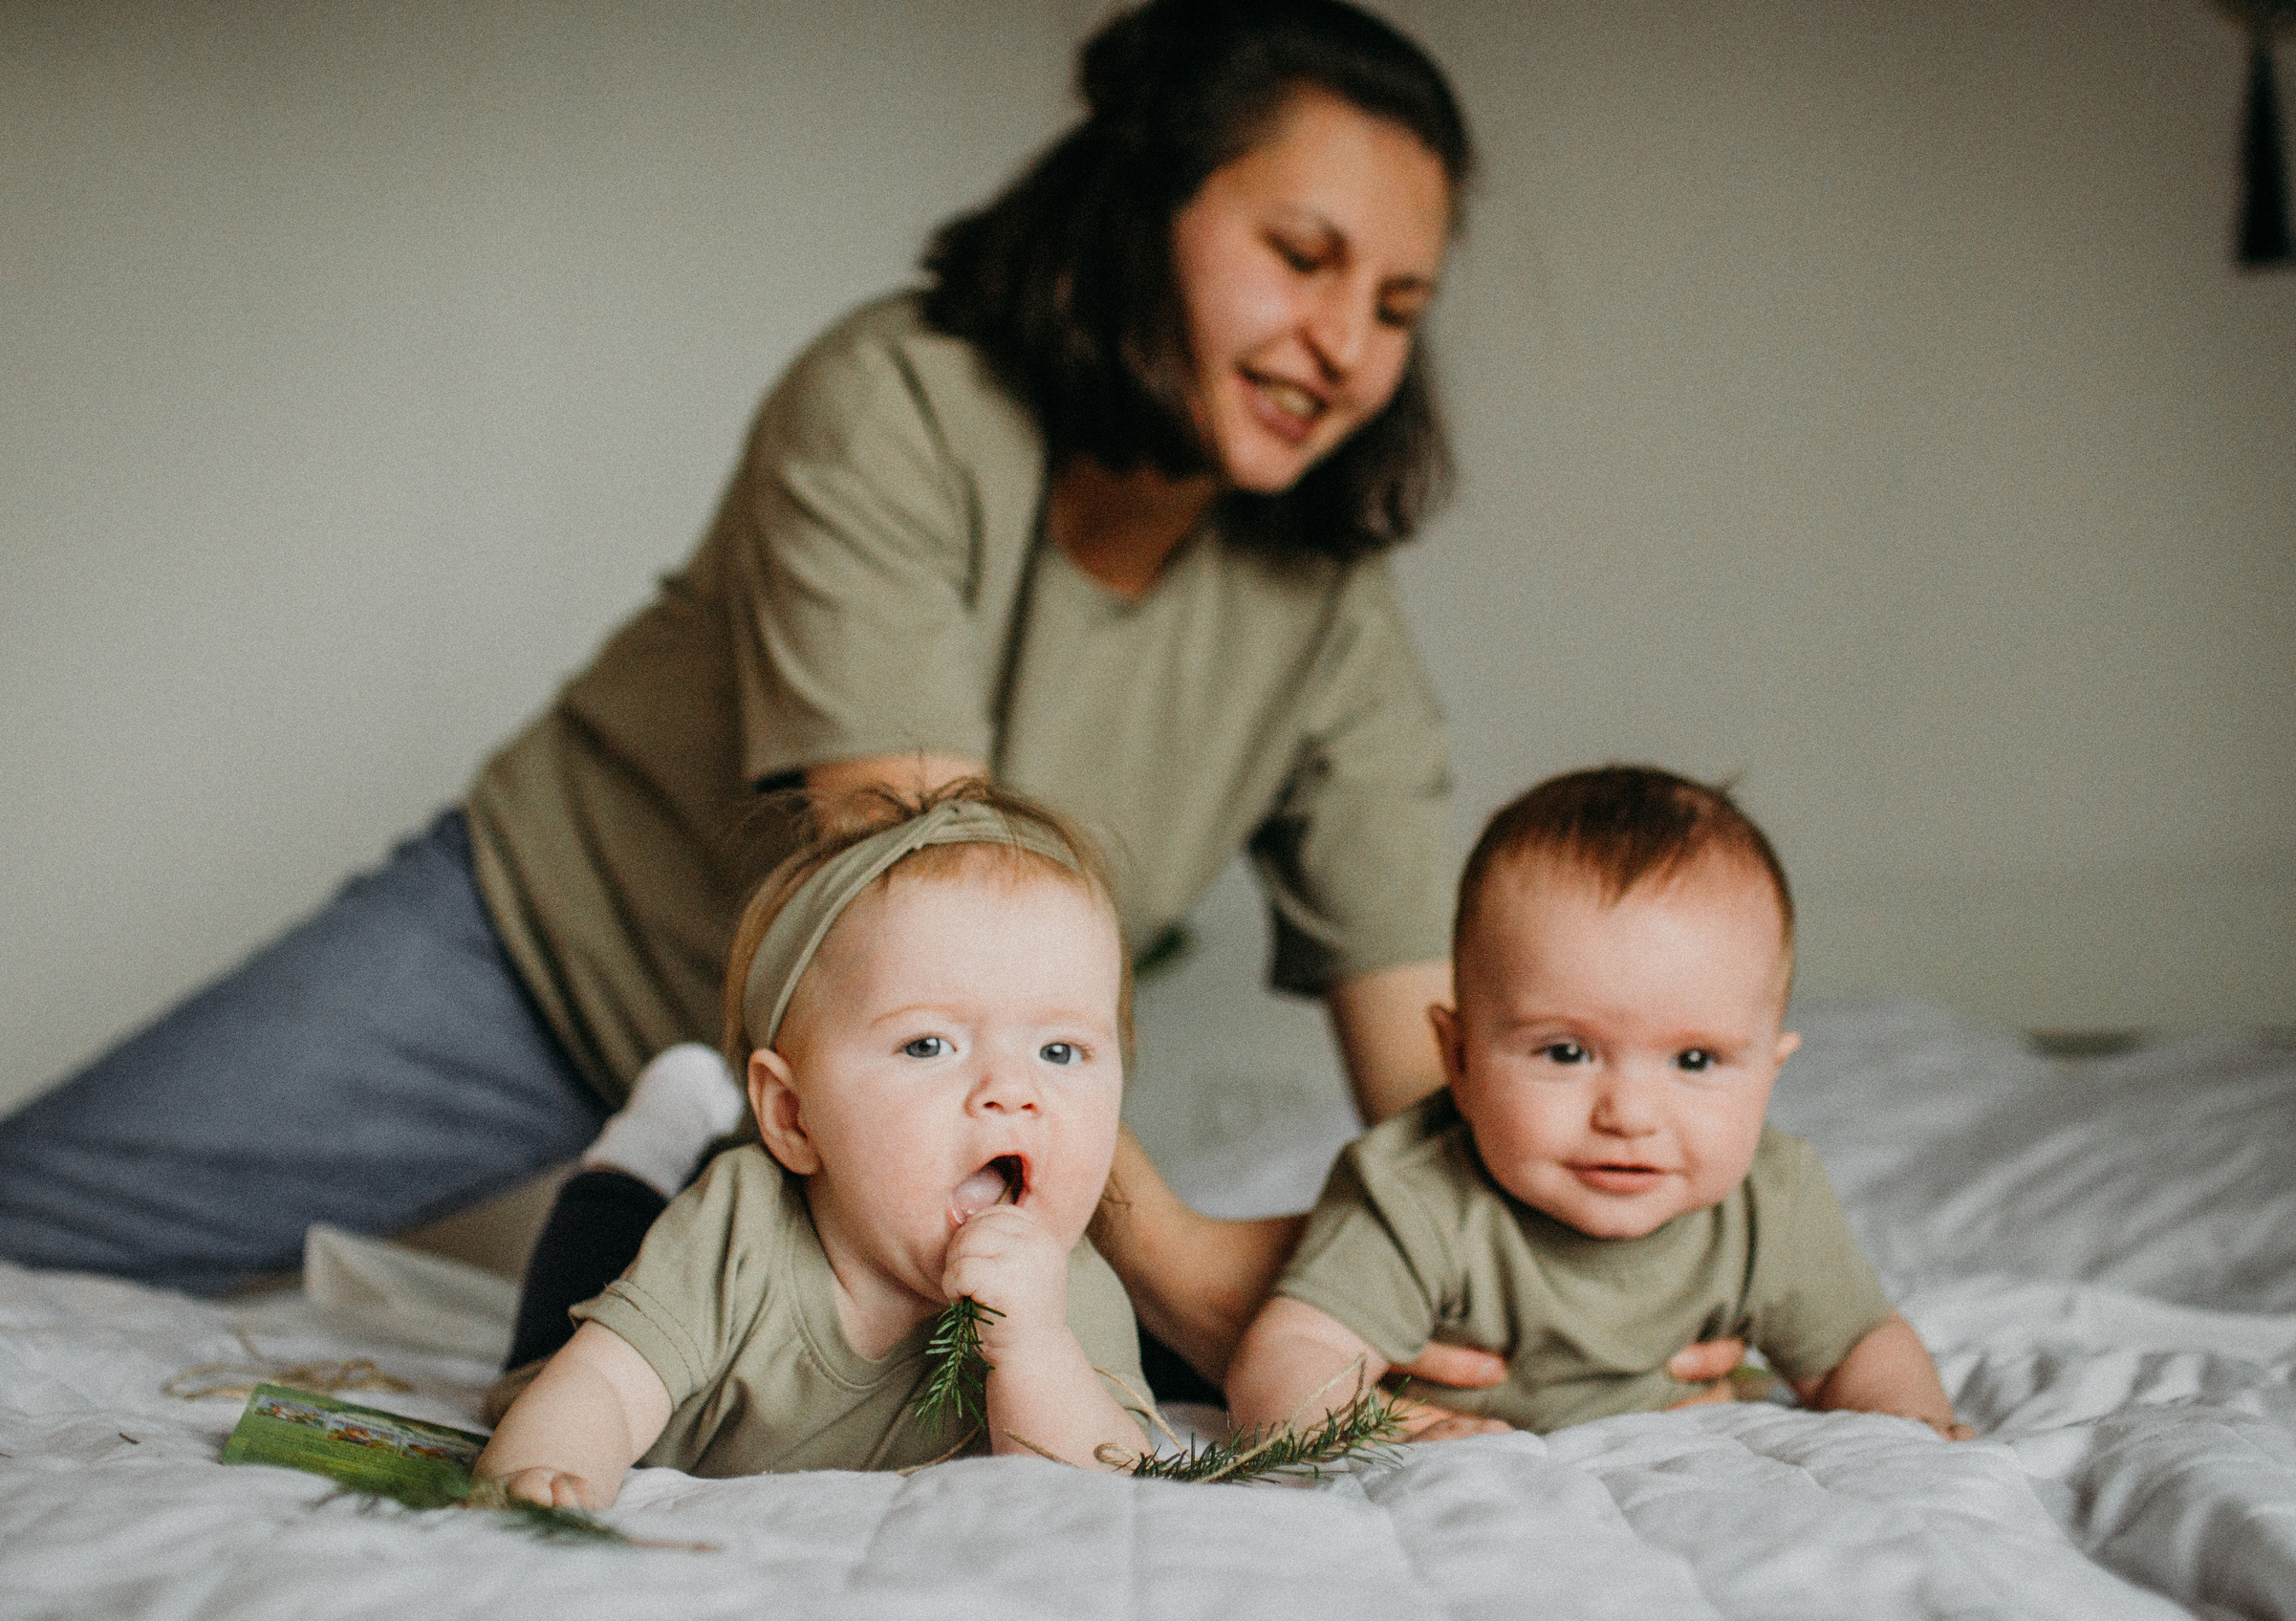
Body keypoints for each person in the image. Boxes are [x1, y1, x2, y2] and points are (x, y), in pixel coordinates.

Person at [0, 0, 1743, 1401]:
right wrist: (1176, 1254)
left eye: (1399, 306)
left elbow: (1439, 1057)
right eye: (1302, 254)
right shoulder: (893, 403)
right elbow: (920, 922)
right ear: (1138, 210)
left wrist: (1567, 1285)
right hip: (547, 955)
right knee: (34, 1221)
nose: (1346, 344)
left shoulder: (1328, 608)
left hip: (883, 1121)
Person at [1227, 767, 1972, 1440]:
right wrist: (1403, 1428)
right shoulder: (1413, 1194)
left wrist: (1911, 1428)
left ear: (1770, 1074)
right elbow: (1288, 1361)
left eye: (1695, 1060)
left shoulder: (1772, 1200)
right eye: (1566, 1053)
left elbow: (1858, 1348)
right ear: (1459, 1059)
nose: (1630, 1116)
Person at [478, 783, 1151, 1506]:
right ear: (794, 1115)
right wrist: (546, 1473)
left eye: (1059, 1051)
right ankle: (647, 1147)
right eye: (929, 1044)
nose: (1011, 1090)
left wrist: (1035, 1348)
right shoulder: (742, 1226)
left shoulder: (1069, 1289)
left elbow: (1108, 1490)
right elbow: (603, 1385)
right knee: (586, 1266)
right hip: (608, 1318)